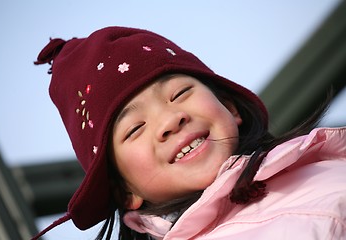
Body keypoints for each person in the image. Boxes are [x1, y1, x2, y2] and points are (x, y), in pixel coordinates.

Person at [32, 26, 346, 240]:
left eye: (180, 93)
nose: (170, 121)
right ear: (124, 192)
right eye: (135, 128)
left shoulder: (332, 176)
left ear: (229, 107)